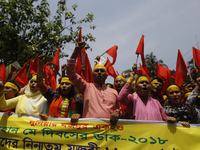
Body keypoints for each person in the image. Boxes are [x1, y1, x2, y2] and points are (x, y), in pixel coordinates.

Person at [66, 41, 120, 125]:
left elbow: (119, 109)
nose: (99, 72)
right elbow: (70, 73)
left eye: (102, 71)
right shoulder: (86, 87)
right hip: (89, 131)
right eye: (96, 71)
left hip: (108, 133)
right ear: (92, 75)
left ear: (106, 76)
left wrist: (117, 113)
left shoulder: (114, 92)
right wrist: (76, 51)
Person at [37, 54, 83, 122]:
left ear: (72, 87)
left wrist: (79, 115)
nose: (64, 86)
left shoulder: (78, 101)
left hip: (69, 130)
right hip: (53, 128)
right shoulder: (53, 96)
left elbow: (84, 114)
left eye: (67, 84)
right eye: (62, 84)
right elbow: (40, 84)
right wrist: (40, 64)